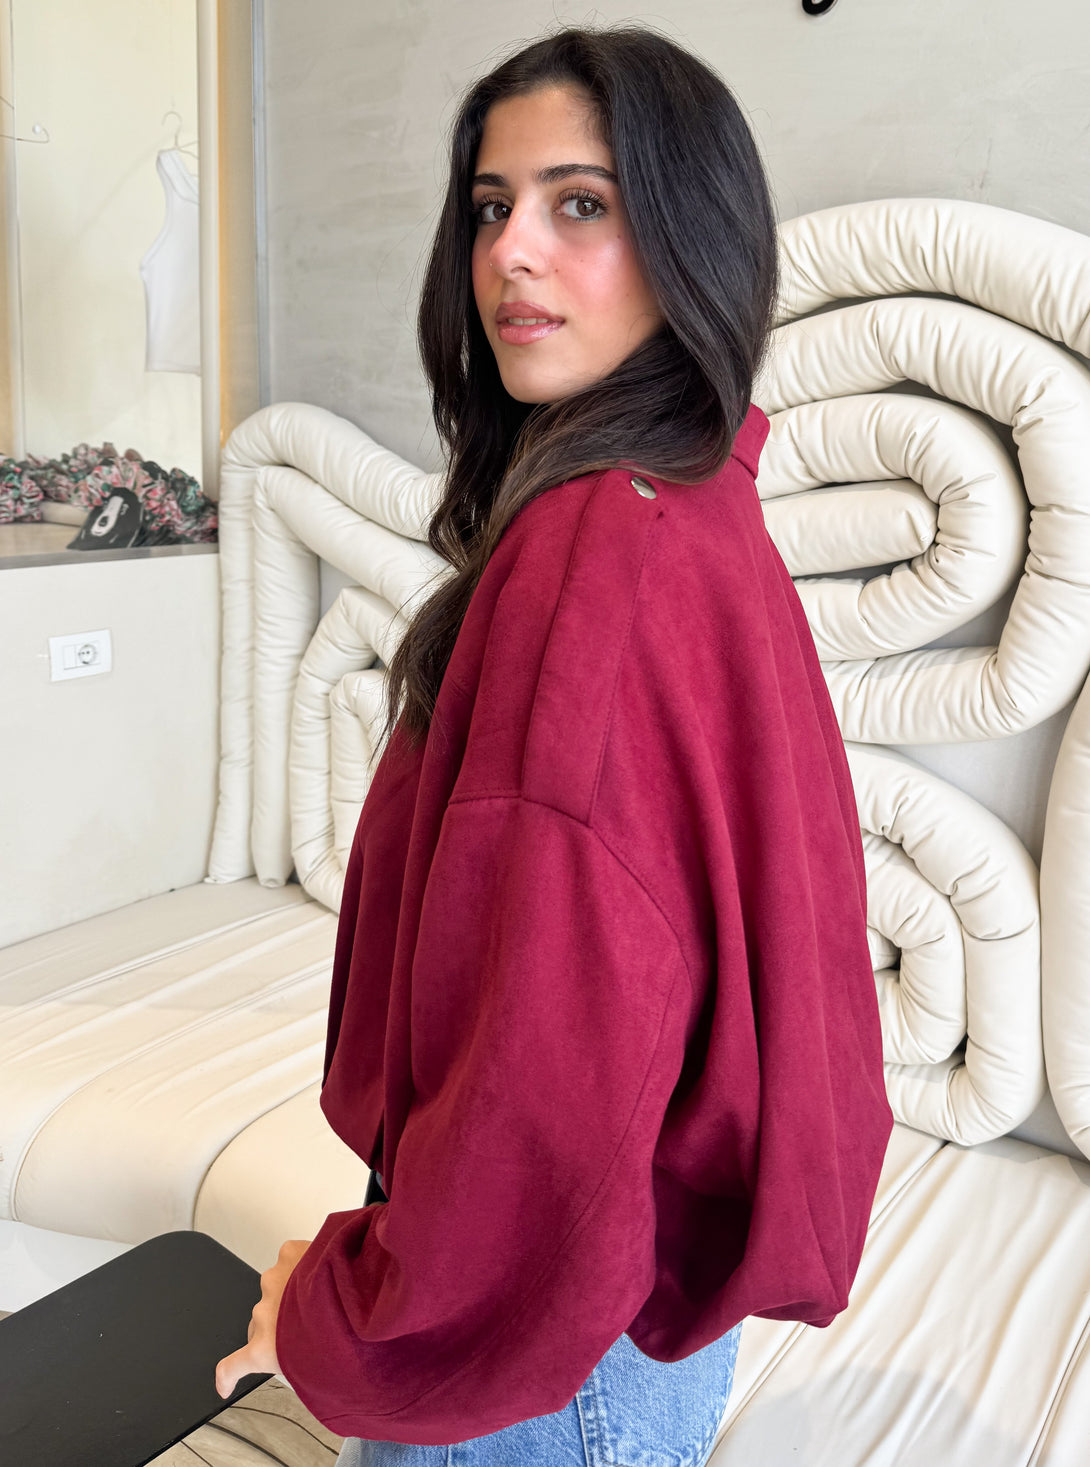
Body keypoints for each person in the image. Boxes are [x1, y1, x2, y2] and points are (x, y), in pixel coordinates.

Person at [215, 22, 893, 1465]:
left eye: (580, 203)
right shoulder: (688, 497)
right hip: (628, 1323)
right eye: (489, 207)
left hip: (544, 1353)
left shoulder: (596, 556)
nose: (511, 252)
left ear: (690, 236)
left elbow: (549, 1061)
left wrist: (344, 1320)